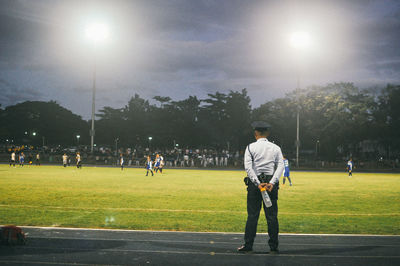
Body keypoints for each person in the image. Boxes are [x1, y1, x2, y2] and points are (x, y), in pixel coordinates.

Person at [238, 121, 284, 254]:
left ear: (255, 133)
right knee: (272, 216)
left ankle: (248, 245)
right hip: (270, 183)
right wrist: (272, 182)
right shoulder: (276, 148)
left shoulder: (250, 147)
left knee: (252, 216)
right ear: (268, 133)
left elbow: (248, 167)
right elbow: (280, 166)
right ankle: (274, 247)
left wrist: (257, 183)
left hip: (255, 185)